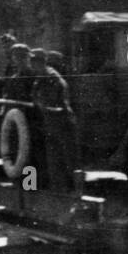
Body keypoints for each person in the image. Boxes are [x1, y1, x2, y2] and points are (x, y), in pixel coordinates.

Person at [30, 48, 78, 190]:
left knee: (68, 161)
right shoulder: (40, 78)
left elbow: (60, 106)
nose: (33, 65)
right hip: (50, 125)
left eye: (35, 61)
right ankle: (60, 192)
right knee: (54, 163)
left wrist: (43, 107)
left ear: (42, 62)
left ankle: (74, 192)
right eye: (32, 61)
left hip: (62, 125)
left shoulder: (53, 79)